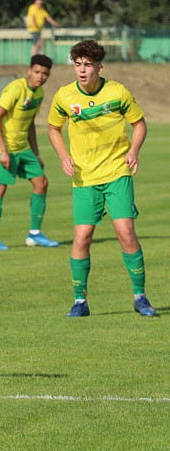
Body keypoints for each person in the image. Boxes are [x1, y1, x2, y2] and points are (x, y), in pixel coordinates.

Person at [47, 39, 154, 318]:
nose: (82, 70)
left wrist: (133, 150)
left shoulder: (118, 92)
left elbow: (139, 124)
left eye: (88, 65)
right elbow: (53, 128)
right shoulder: (64, 96)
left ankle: (140, 297)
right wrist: (62, 155)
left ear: (99, 67)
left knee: (125, 232)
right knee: (82, 237)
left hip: (117, 173)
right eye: (78, 64)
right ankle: (80, 301)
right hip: (84, 177)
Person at [0, 54, 59, 251]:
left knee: (41, 183)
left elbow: (31, 124)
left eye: (44, 73)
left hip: (23, 148)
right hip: (1, 148)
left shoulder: (39, 93)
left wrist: (36, 153)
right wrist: (3, 151)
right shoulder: (16, 89)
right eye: (37, 72)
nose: (40, 76)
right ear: (29, 70)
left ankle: (34, 235)